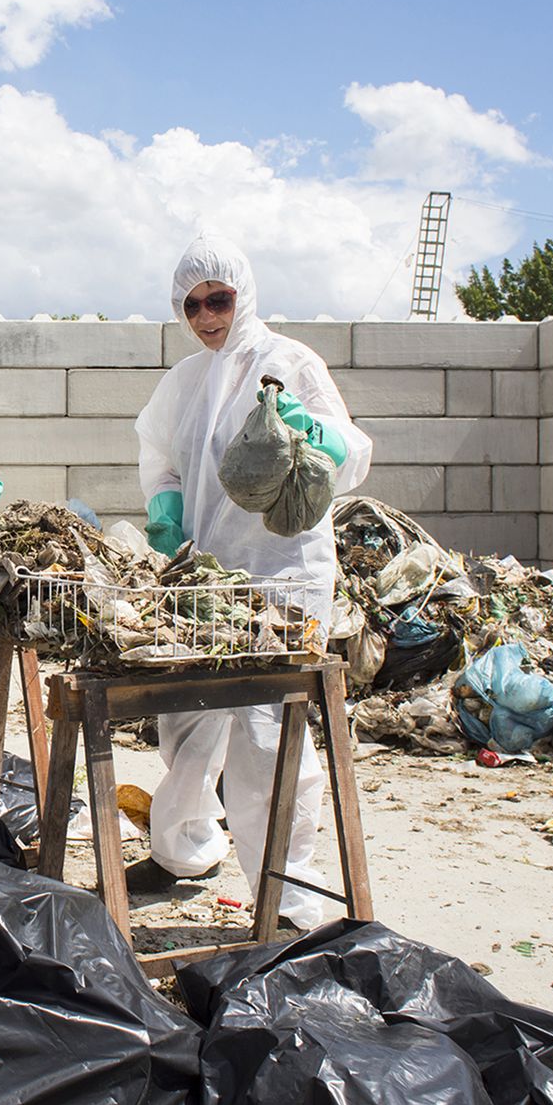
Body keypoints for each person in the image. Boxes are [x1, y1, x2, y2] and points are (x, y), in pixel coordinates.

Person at [132, 230, 372, 927]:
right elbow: (159, 453)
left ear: (245, 294)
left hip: (281, 576)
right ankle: (183, 851)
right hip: (204, 578)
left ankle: (290, 892)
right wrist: (165, 506)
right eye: (192, 306)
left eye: (220, 299)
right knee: (187, 721)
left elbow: (351, 449)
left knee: (270, 736)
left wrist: (318, 439)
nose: (208, 315)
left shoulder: (289, 363)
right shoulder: (184, 381)